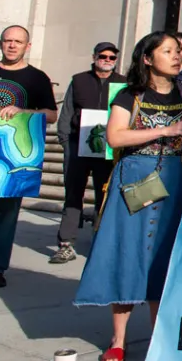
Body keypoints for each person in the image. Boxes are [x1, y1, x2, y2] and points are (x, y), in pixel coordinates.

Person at [73, 31, 182, 361]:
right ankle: (118, 339)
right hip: (134, 180)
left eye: (179, 50)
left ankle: (158, 337)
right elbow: (115, 136)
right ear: (148, 58)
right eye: (168, 51)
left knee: (164, 259)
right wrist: (165, 130)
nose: (177, 55)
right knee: (127, 253)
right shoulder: (129, 94)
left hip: (173, 179)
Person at [0, 26, 58, 289]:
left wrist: (23, 111)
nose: (12, 45)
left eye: (18, 41)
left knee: (6, 214)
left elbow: (52, 115)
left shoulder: (37, 78)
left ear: (27, 46)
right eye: (7, 41)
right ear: (0, 43)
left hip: (12, 156)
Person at [50, 42, 126, 264]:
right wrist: (65, 140)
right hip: (77, 146)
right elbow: (67, 112)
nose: (107, 60)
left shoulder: (122, 84)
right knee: (73, 195)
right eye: (103, 56)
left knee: (105, 194)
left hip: (108, 148)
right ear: (94, 57)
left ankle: (100, 240)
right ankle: (65, 244)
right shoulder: (79, 80)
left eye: (112, 57)